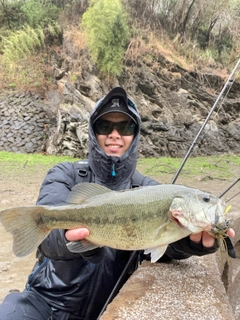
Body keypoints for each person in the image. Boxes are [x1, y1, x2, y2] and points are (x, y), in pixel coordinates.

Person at [0, 87, 235, 320]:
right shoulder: (64, 174)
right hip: (48, 302)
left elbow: (156, 244)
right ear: (93, 132)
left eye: (125, 127)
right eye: (104, 126)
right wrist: (69, 236)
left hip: (111, 304)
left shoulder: (150, 188)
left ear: (135, 134)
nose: (114, 134)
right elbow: (47, 244)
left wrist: (185, 244)